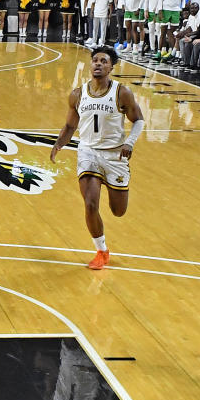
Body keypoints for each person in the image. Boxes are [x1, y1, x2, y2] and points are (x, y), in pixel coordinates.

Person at [50, 46, 144, 270]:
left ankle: (110, 183)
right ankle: (101, 250)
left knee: (118, 211)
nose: (98, 64)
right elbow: (70, 125)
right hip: (88, 152)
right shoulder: (78, 93)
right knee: (90, 203)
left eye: (104, 61)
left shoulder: (122, 93)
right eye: (95, 60)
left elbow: (138, 120)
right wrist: (59, 144)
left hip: (114, 155)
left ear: (112, 67)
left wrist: (130, 142)